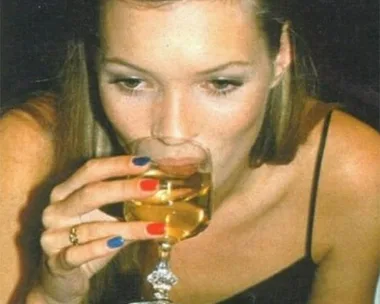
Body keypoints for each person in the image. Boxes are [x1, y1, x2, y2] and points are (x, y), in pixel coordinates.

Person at [1, 0, 379, 303]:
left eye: (220, 83)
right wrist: (50, 298)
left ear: (280, 56)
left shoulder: (356, 176)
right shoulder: (23, 157)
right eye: (131, 81)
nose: (172, 131)